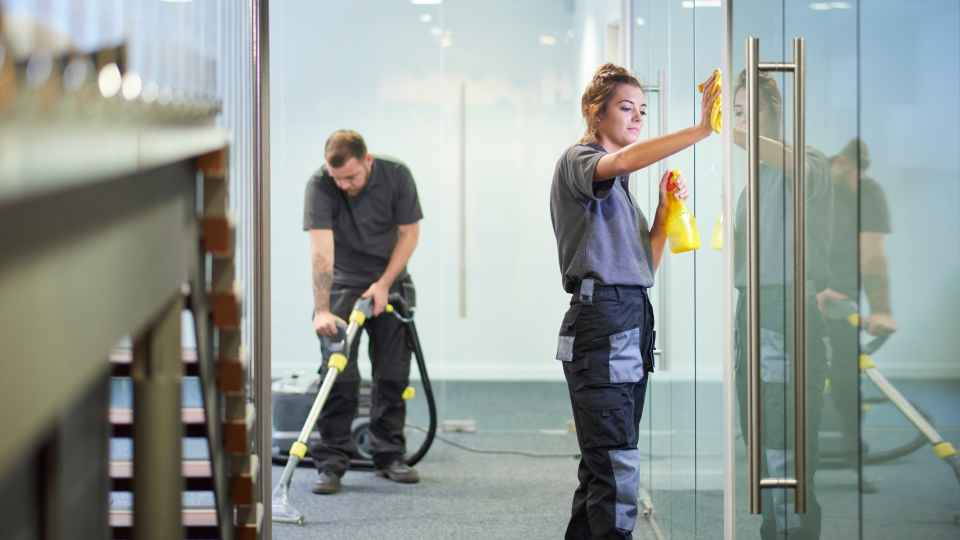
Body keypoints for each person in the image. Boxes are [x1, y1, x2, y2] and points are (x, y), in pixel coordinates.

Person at [550, 63, 718, 540]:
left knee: (606, 457)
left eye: (643, 110)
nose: (637, 117)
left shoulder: (621, 189)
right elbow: (621, 162)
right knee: (616, 460)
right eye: (626, 108)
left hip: (628, 315)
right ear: (594, 112)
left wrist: (664, 214)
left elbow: (642, 267)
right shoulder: (580, 162)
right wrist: (702, 130)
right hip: (601, 321)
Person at [731, 70, 833, 539]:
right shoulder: (752, 182)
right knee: (759, 438)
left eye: (752, 114)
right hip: (751, 312)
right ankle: (774, 528)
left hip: (785, 313)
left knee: (784, 440)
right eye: (736, 112)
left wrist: (728, 131)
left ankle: (790, 531)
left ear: (776, 115)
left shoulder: (805, 160)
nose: (743, 123)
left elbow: (793, 165)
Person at [303, 130, 423, 495]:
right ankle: (332, 462)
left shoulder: (396, 175)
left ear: (367, 161)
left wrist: (385, 283)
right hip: (342, 284)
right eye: (337, 177)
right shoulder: (321, 185)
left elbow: (410, 233)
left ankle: (389, 456)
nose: (343, 185)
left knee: (392, 373)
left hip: (390, 282)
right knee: (338, 375)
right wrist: (321, 310)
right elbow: (321, 252)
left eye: (350, 177)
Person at [819, 138, 896, 482]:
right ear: (840, 165)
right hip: (802, 291)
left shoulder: (870, 191)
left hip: (845, 298)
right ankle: (783, 463)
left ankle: (854, 460)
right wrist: (812, 287)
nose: (858, 184)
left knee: (848, 379)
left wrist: (881, 310)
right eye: (854, 175)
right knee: (789, 374)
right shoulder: (814, 182)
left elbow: (873, 256)